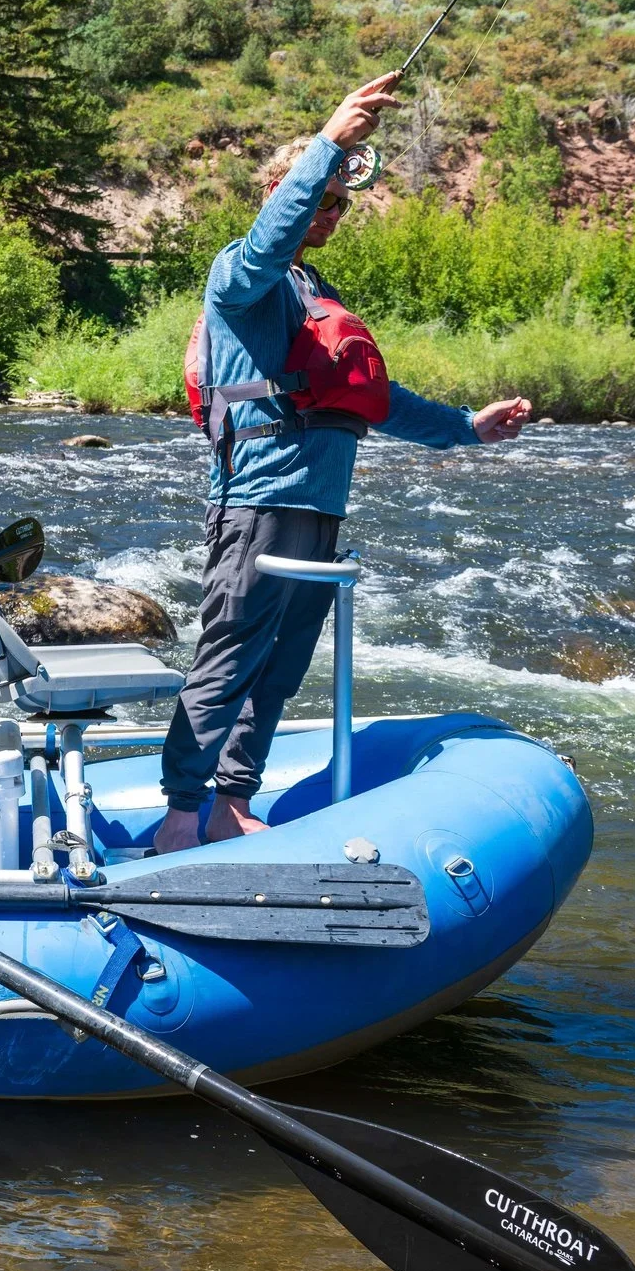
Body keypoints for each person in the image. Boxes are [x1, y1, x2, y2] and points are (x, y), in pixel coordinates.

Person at [157, 72, 532, 851]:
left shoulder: (315, 289)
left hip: (319, 508)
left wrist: (470, 427)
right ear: (282, 192)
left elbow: (371, 397)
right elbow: (268, 239)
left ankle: (231, 799)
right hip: (258, 500)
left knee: (282, 668)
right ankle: (179, 816)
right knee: (229, 657)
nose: (331, 214)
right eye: (320, 199)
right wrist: (331, 142)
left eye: (339, 204)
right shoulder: (241, 277)